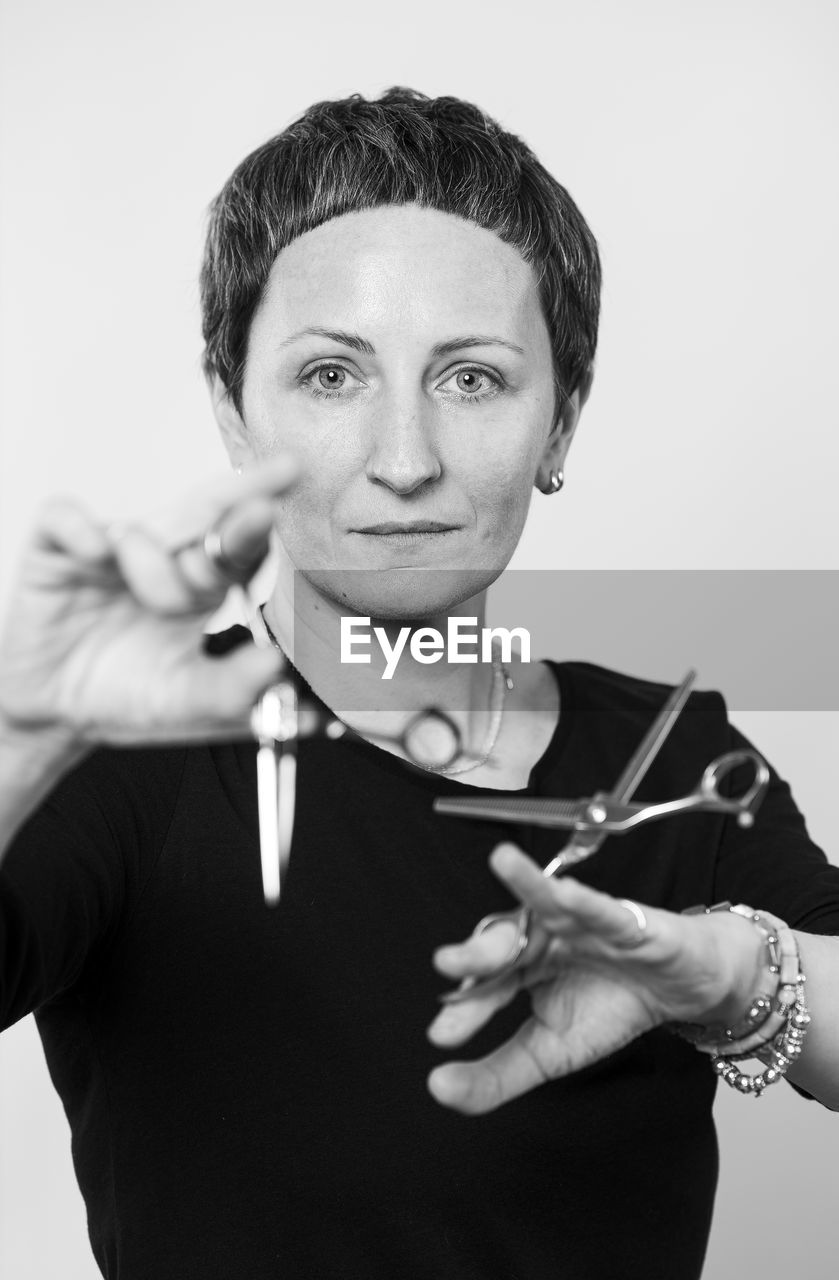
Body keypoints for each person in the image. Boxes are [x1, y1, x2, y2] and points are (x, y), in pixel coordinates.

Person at [1, 86, 837, 1280]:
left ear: (561, 423)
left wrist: (735, 971)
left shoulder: (667, 747)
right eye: (332, 376)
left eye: (473, 378)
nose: (404, 460)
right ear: (233, 412)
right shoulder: (117, 756)